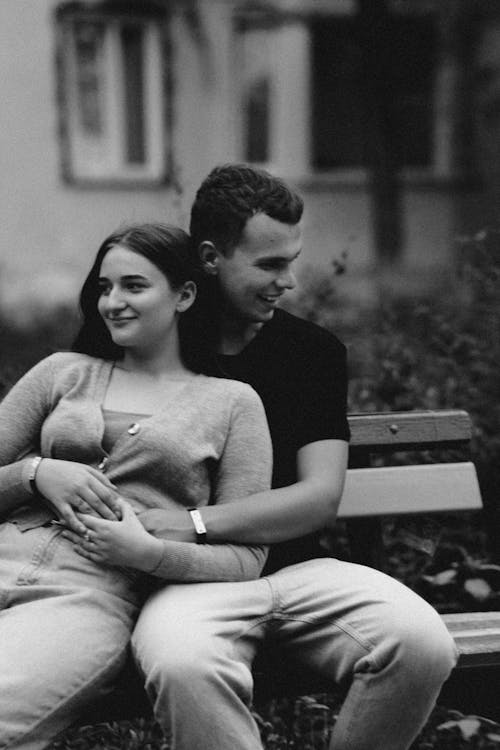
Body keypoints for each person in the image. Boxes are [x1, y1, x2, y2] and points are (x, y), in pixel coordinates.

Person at [131, 165, 458, 750]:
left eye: (292, 260)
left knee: (422, 642)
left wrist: (198, 523)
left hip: (300, 575)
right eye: (270, 265)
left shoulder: (313, 353)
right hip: (188, 586)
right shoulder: (155, 348)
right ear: (210, 258)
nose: (291, 280)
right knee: (183, 666)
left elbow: (318, 497)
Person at [0, 223, 272, 750]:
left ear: (185, 295)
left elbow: (247, 558)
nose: (112, 302)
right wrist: (35, 472)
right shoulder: (62, 372)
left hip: (89, 598)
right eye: (104, 287)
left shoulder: (232, 403)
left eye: (133, 286)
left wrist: (149, 555)